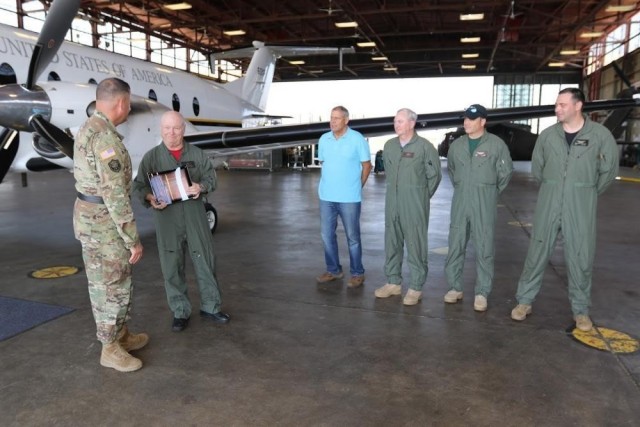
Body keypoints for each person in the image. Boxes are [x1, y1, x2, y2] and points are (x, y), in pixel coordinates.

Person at [511, 88, 619, 331]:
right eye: (556, 104)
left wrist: (584, 191)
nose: (556, 109)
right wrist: (554, 188)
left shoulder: (600, 135)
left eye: (562, 104)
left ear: (578, 105)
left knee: (581, 254)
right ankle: (524, 302)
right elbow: (538, 169)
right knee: (537, 251)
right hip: (549, 201)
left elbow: (609, 171)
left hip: (581, 204)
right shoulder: (548, 136)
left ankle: (580, 311)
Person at [73, 77, 147, 373]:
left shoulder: (90, 126)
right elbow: (115, 196)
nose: (128, 110)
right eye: (129, 105)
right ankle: (110, 347)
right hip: (104, 224)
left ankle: (120, 334)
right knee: (111, 284)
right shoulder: (105, 138)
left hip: (90, 217)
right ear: (121, 103)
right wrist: (133, 240)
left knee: (110, 280)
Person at [133, 111, 229, 332]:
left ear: (183, 129)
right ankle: (180, 311)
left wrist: (200, 187)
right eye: (167, 128)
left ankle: (211, 306)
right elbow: (138, 186)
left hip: (195, 216)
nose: (171, 133)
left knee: (205, 260)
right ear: (161, 129)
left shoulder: (196, 154)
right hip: (167, 218)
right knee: (171, 266)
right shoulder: (151, 158)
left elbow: (210, 179)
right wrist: (150, 198)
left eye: (176, 128)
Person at [443, 104, 513, 312]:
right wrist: (466, 187)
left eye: (471, 119)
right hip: (461, 200)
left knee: (484, 247)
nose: (466, 122)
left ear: (483, 122)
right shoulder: (457, 146)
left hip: (485, 201)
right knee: (455, 245)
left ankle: (482, 292)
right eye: (465, 118)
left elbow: (505, 173)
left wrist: (489, 191)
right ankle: (455, 287)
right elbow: (453, 171)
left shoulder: (496, 144)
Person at [375, 108, 442, 305]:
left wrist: (420, 195)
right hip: (392, 203)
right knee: (392, 242)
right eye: (395, 121)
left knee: (416, 244)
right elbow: (388, 171)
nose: (396, 125)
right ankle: (393, 282)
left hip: (414, 204)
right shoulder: (389, 146)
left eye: (400, 121)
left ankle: (416, 287)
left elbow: (434, 176)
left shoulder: (424, 147)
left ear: (412, 124)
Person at [316, 106, 372, 288]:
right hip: (326, 197)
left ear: (346, 120)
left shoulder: (357, 139)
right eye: (331, 118)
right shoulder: (324, 139)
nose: (332, 121)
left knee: (353, 237)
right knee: (326, 235)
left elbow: (366, 166)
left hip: (349, 198)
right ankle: (333, 270)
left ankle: (357, 273)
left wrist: (357, 186)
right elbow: (325, 162)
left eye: (337, 118)